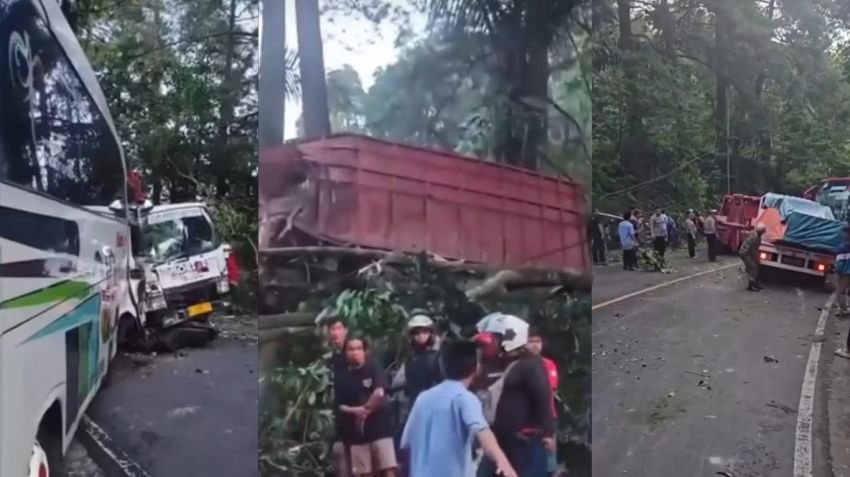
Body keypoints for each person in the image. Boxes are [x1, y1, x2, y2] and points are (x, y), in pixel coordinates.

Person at [400, 341, 517, 477]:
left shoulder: (423, 398)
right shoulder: (464, 398)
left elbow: (407, 443)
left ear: (442, 366)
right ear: (476, 368)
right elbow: (482, 431)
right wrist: (502, 461)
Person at [474, 313, 554, 477]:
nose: (492, 342)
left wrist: (547, 432)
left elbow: (543, 397)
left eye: (496, 338)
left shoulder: (530, 364)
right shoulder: (493, 363)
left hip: (524, 439)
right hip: (497, 438)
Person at [335, 336, 398, 477]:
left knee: (388, 468)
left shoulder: (373, 366)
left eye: (359, 349)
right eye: (351, 349)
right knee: (364, 472)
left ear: (364, 351)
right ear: (345, 353)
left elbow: (379, 392)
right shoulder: (341, 376)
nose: (355, 353)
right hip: (356, 433)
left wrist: (365, 411)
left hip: (380, 428)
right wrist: (355, 411)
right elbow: (339, 405)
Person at [526, 328, 559, 477]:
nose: (534, 345)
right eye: (531, 341)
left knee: (549, 462)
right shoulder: (519, 365)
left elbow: (550, 388)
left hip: (547, 417)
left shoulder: (548, 364)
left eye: (537, 341)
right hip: (527, 421)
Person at [323, 315, 352, 477]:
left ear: (346, 331)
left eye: (338, 328)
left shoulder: (353, 353)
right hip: (338, 416)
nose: (335, 333)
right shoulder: (330, 359)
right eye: (332, 329)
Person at [834, 225, 850, 358]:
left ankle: (843, 309)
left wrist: (837, 272)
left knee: (840, 292)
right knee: (845, 292)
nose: (841, 235)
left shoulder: (843, 247)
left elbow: (839, 263)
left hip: (845, 273)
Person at [739, 223, 766, 291]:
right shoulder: (754, 237)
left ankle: (754, 283)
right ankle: (750, 286)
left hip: (748, 253)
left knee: (754, 268)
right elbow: (750, 248)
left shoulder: (756, 235)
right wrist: (752, 257)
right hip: (747, 254)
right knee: (753, 270)